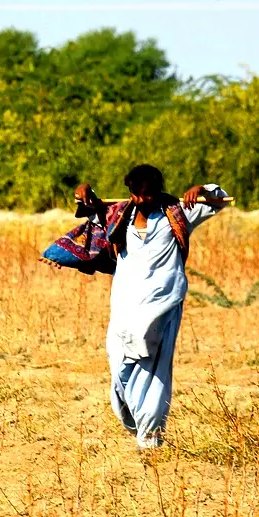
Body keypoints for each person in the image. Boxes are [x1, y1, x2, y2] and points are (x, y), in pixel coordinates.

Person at [69, 164, 229, 450]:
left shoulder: (178, 213)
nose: (145, 199)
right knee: (119, 367)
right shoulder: (119, 216)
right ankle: (135, 423)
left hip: (162, 305)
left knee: (154, 369)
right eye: (139, 194)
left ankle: (151, 437)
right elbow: (87, 203)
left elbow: (220, 199)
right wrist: (84, 190)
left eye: (150, 193)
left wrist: (202, 189)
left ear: (158, 191)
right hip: (125, 306)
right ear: (131, 192)